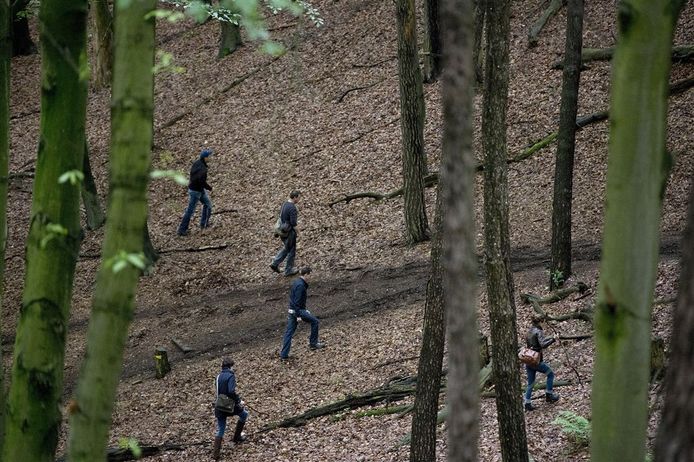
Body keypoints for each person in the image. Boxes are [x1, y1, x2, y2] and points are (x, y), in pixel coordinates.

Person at [279, 267, 324, 360]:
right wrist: (298, 315)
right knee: (315, 322)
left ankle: (284, 355)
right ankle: (313, 343)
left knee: (289, 333)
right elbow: (297, 302)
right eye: (311, 275)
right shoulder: (300, 286)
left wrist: (303, 310)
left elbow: (294, 300)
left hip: (293, 310)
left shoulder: (297, 282)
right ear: (306, 274)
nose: (312, 277)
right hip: (297, 311)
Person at [212, 358, 249, 460]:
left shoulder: (218, 377)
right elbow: (231, 391)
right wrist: (239, 401)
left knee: (221, 428)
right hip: (229, 405)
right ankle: (237, 437)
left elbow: (219, 392)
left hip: (219, 406)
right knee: (244, 415)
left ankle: (216, 454)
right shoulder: (231, 376)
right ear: (230, 367)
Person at [523, 316, 560, 411]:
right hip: (536, 360)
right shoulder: (539, 331)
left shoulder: (529, 331)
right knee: (550, 374)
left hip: (528, 360)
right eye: (544, 322)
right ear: (541, 322)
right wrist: (554, 339)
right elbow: (543, 344)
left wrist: (551, 338)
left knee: (530, 383)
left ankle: (527, 402)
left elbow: (535, 343)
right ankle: (549, 395)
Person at [177, 149, 213, 236]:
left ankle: (204, 224)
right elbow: (201, 182)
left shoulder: (197, 163)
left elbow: (193, 176)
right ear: (205, 158)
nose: (210, 157)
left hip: (197, 189)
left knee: (208, 205)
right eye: (209, 156)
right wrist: (210, 188)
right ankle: (182, 230)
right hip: (196, 191)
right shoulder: (203, 169)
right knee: (190, 211)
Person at [270, 190, 301, 276]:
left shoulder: (284, 204)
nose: (299, 199)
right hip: (289, 232)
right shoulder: (292, 208)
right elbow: (294, 223)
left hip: (281, 230)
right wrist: (299, 233)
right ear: (294, 197)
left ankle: (275, 263)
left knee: (287, 248)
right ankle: (288, 269)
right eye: (298, 197)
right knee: (291, 250)